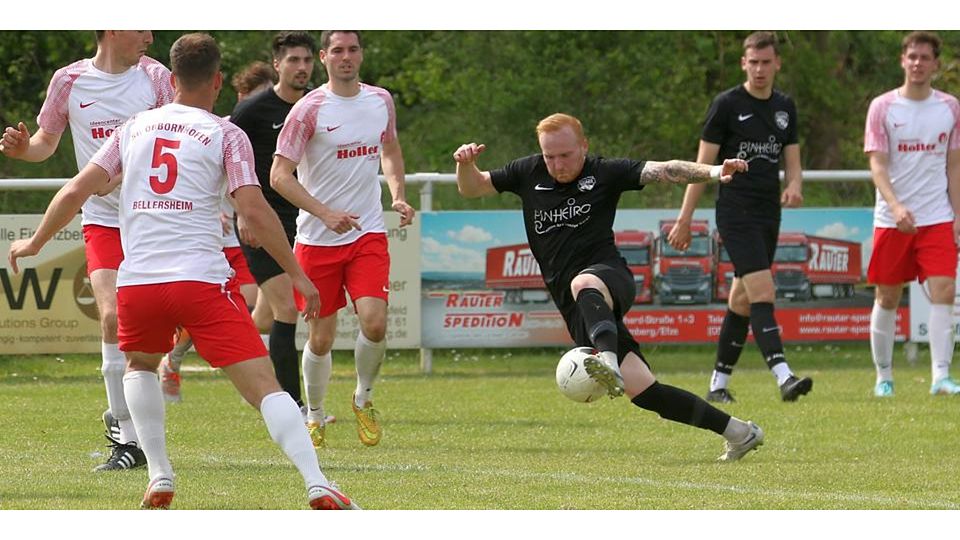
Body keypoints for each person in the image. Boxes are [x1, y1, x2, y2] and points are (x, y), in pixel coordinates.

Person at [8, 33, 359, 510]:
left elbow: (75, 191)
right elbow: (253, 210)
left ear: (170, 79)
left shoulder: (132, 128)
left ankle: (158, 473)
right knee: (265, 388)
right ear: (217, 82)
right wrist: (296, 273)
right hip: (199, 281)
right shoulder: (225, 133)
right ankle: (316, 482)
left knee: (139, 366)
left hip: (139, 284)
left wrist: (35, 242)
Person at [452, 112, 764, 462]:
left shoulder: (604, 172)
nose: (557, 164)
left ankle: (608, 360)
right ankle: (740, 433)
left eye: (565, 155)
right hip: (577, 307)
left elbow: (666, 170)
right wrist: (466, 165)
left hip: (609, 277)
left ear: (584, 146)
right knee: (646, 392)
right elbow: (473, 187)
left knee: (583, 282)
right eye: (549, 156)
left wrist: (714, 171)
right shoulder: (527, 172)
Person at [0, 31, 173, 471]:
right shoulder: (69, 80)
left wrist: (117, 177)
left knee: (152, 329)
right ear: (112, 27)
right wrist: (24, 150)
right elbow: (45, 142)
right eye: (140, 26)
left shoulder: (157, 77)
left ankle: (140, 408)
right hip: (103, 221)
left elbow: (170, 140)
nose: (150, 36)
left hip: (153, 219)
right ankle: (125, 436)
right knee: (112, 317)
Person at [272, 30, 415, 448]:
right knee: (321, 338)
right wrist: (324, 212)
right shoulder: (308, 110)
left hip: (367, 231)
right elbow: (279, 176)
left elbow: (390, 149)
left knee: (375, 321)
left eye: (352, 49)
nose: (346, 57)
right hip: (317, 239)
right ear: (324, 57)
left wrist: (398, 195)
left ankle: (363, 398)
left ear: (361, 55)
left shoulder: (380, 100)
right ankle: (315, 414)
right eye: (337, 50)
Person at [172, 31, 320, 415]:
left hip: (304, 223)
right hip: (262, 224)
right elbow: (223, 156)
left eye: (307, 60)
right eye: (293, 60)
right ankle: (295, 406)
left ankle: (183, 351)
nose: (301, 67)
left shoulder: (317, 105)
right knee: (287, 309)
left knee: (265, 316)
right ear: (277, 64)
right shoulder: (253, 110)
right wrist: (240, 212)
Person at [667, 31, 812, 404]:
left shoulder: (785, 107)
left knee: (743, 300)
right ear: (743, 64)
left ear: (777, 63)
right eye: (754, 63)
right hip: (735, 212)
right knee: (763, 291)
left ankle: (717, 386)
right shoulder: (726, 105)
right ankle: (785, 377)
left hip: (768, 213)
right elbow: (701, 167)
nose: (760, 69)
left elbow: (793, 162)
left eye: (766, 62)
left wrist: (795, 186)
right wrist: (685, 219)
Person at [158, 60, 276, 403]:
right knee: (248, 305)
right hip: (216, 241)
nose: (265, 103)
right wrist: (225, 212)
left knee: (263, 312)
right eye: (258, 96)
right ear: (241, 96)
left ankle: (257, 382)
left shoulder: (272, 133)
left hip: (249, 237)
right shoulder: (218, 130)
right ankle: (176, 359)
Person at [864, 31, 960, 397]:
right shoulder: (882, 107)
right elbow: (877, 165)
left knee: (944, 290)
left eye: (925, 57)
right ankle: (884, 378)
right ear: (902, 61)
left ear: (936, 64)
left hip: (937, 216)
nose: (917, 63)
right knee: (887, 296)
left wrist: (957, 214)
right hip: (892, 219)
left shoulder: (950, 107)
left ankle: (941, 378)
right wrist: (895, 206)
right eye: (912, 56)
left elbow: (954, 165)